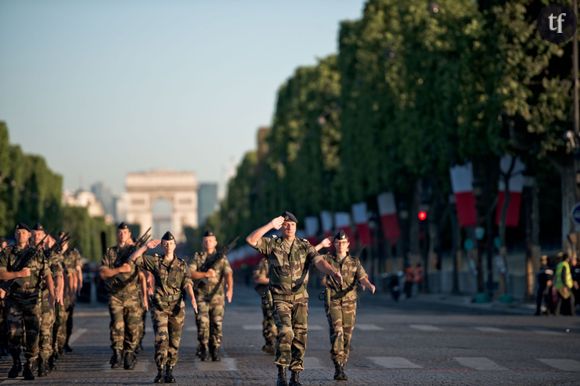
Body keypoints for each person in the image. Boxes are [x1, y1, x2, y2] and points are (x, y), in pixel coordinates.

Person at [246, 212, 343, 386]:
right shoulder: (273, 244)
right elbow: (251, 240)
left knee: (300, 336)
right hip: (279, 297)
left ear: (296, 227)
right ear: (282, 226)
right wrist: (270, 225)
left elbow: (319, 261)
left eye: (292, 225)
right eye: (286, 224)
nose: (289, 227)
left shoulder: (304, 246)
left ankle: (295, 375)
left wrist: (332, 271)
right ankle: (281, 373)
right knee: (285, 331)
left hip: (300, 299)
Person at [129, 232, 197, 384]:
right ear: (162, 245)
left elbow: (187, 282)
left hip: (177, 308)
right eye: (165, 244)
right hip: (159, 307)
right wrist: (146, 246)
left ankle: (170, 370)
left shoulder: (182, 264)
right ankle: (160, 370)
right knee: (161, 339)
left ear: (175, 245)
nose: (168, 246)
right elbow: (133, 259)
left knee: (174, 341)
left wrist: (192, 297)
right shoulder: (155, 261)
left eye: (171, 244)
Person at [0, 223, 54, 380]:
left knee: (33, 333)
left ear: (29, 235)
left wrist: (52, 294)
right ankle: (16, 362)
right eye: (18, 232)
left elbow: (47, 274)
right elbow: (2, 275)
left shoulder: (37, 253)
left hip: (32, 300)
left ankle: (29, 364)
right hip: (14, 299)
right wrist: (18, 273)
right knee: (12, 333)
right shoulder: (7, 252)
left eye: (23, 232)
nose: (20, 235)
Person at [321, 231, 376, 381]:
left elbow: (362, 277)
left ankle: (343, 362)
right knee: (337, 332)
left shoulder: (354, 262)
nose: (340, 245)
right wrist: (320, 244)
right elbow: (310, 256)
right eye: (338, 243)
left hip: (350, 303)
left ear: (348, 244)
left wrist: (369, 285)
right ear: (334, 244)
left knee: (347, 336)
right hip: (333, 301)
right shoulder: (327, 259)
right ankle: (338, 366)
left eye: (343, 243)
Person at [99, 222, 144, 370]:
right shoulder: (110, 252)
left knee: (132, 327)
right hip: (116, 295)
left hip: (132, 296)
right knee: (117, 325)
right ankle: (117, 353)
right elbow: (103, 272)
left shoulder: (135, 251)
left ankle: (129, 353)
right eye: (119, 232)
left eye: (125, 232)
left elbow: (140, 270)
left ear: (129, 234)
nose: (122, 235)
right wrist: (119, 270)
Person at [31, 223, 64, 377]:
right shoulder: (25, 252)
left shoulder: (51, 254)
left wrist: (58, 291)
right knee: (29, 332)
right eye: (35, 234)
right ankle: (31, 360)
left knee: (45, 329)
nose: (37, 236)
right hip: (27, 297)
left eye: (39, 234)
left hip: (45, 295)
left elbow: (58, 274)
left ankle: (44, 360)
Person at [253, 256, 277, 355]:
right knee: (269, 319)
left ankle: (283, 344)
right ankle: (270, 344)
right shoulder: (266, 261)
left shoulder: (289, 257)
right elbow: (259, 278)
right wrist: (277, 280)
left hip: (287, 295)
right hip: (269, 295)